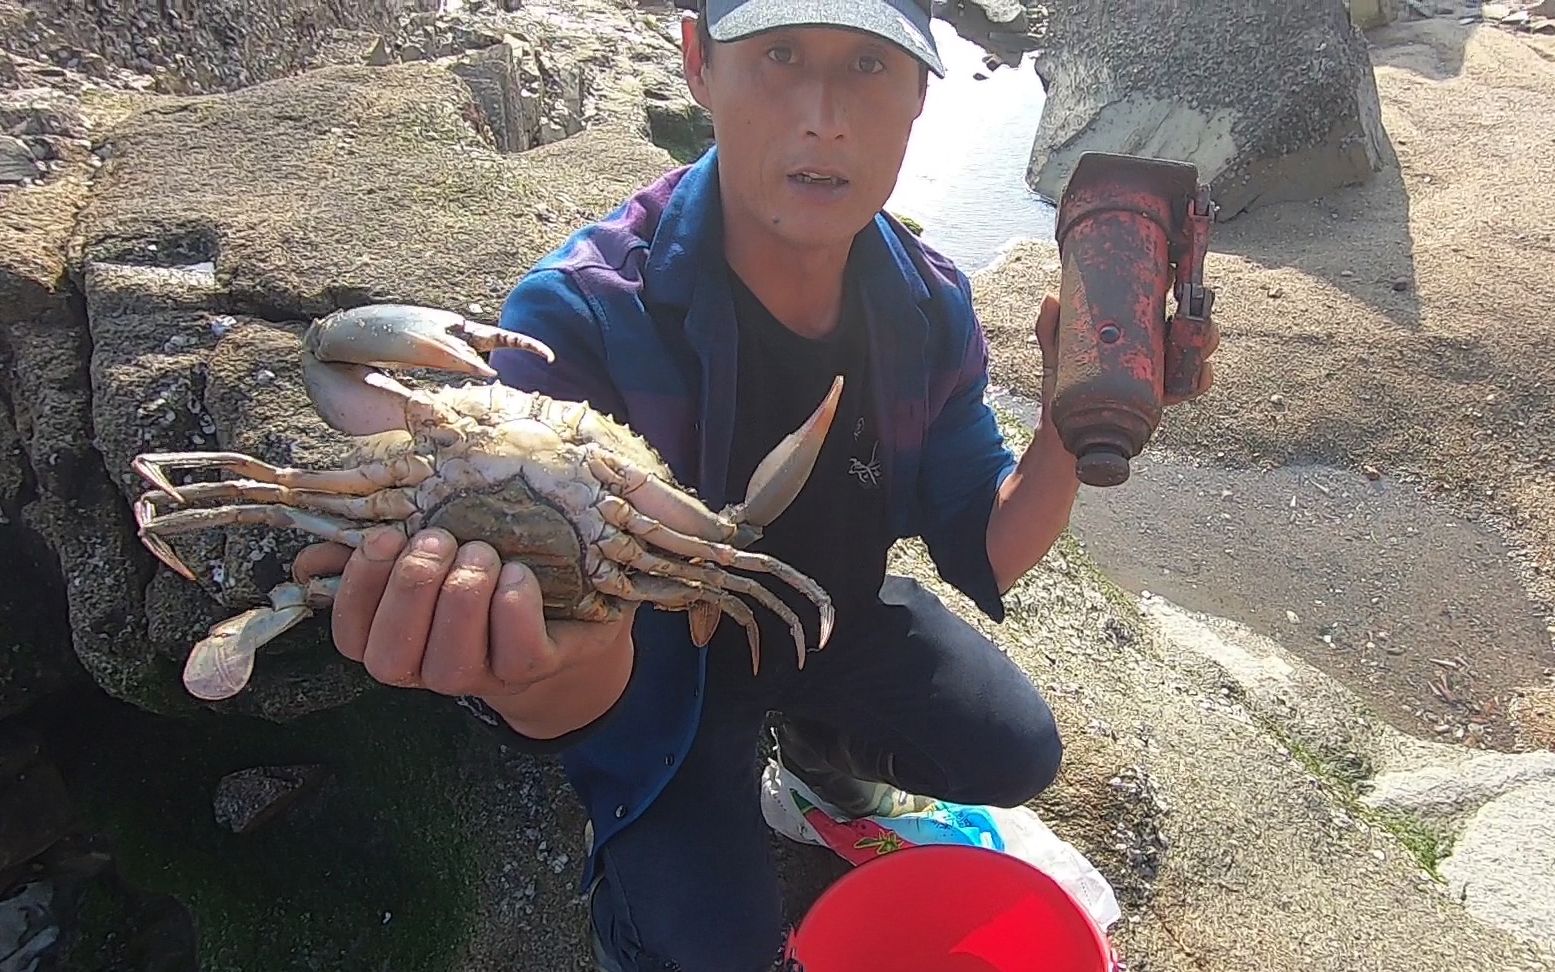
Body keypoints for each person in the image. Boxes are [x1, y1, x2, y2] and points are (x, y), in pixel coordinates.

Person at [292, 1, 1216, 969]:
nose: (822, 114)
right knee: (714, 950)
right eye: (779, 55)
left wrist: (1079, 409)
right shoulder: (578, 317)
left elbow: (983, 541)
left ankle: (814, 764)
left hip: (829, 618)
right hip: (651, 671)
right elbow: (553, 632)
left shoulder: (928, 304)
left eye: (868, 64)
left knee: (1017, 751)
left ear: (920, 96)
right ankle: (631, 918)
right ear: (698, 62)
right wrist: (529, 679)